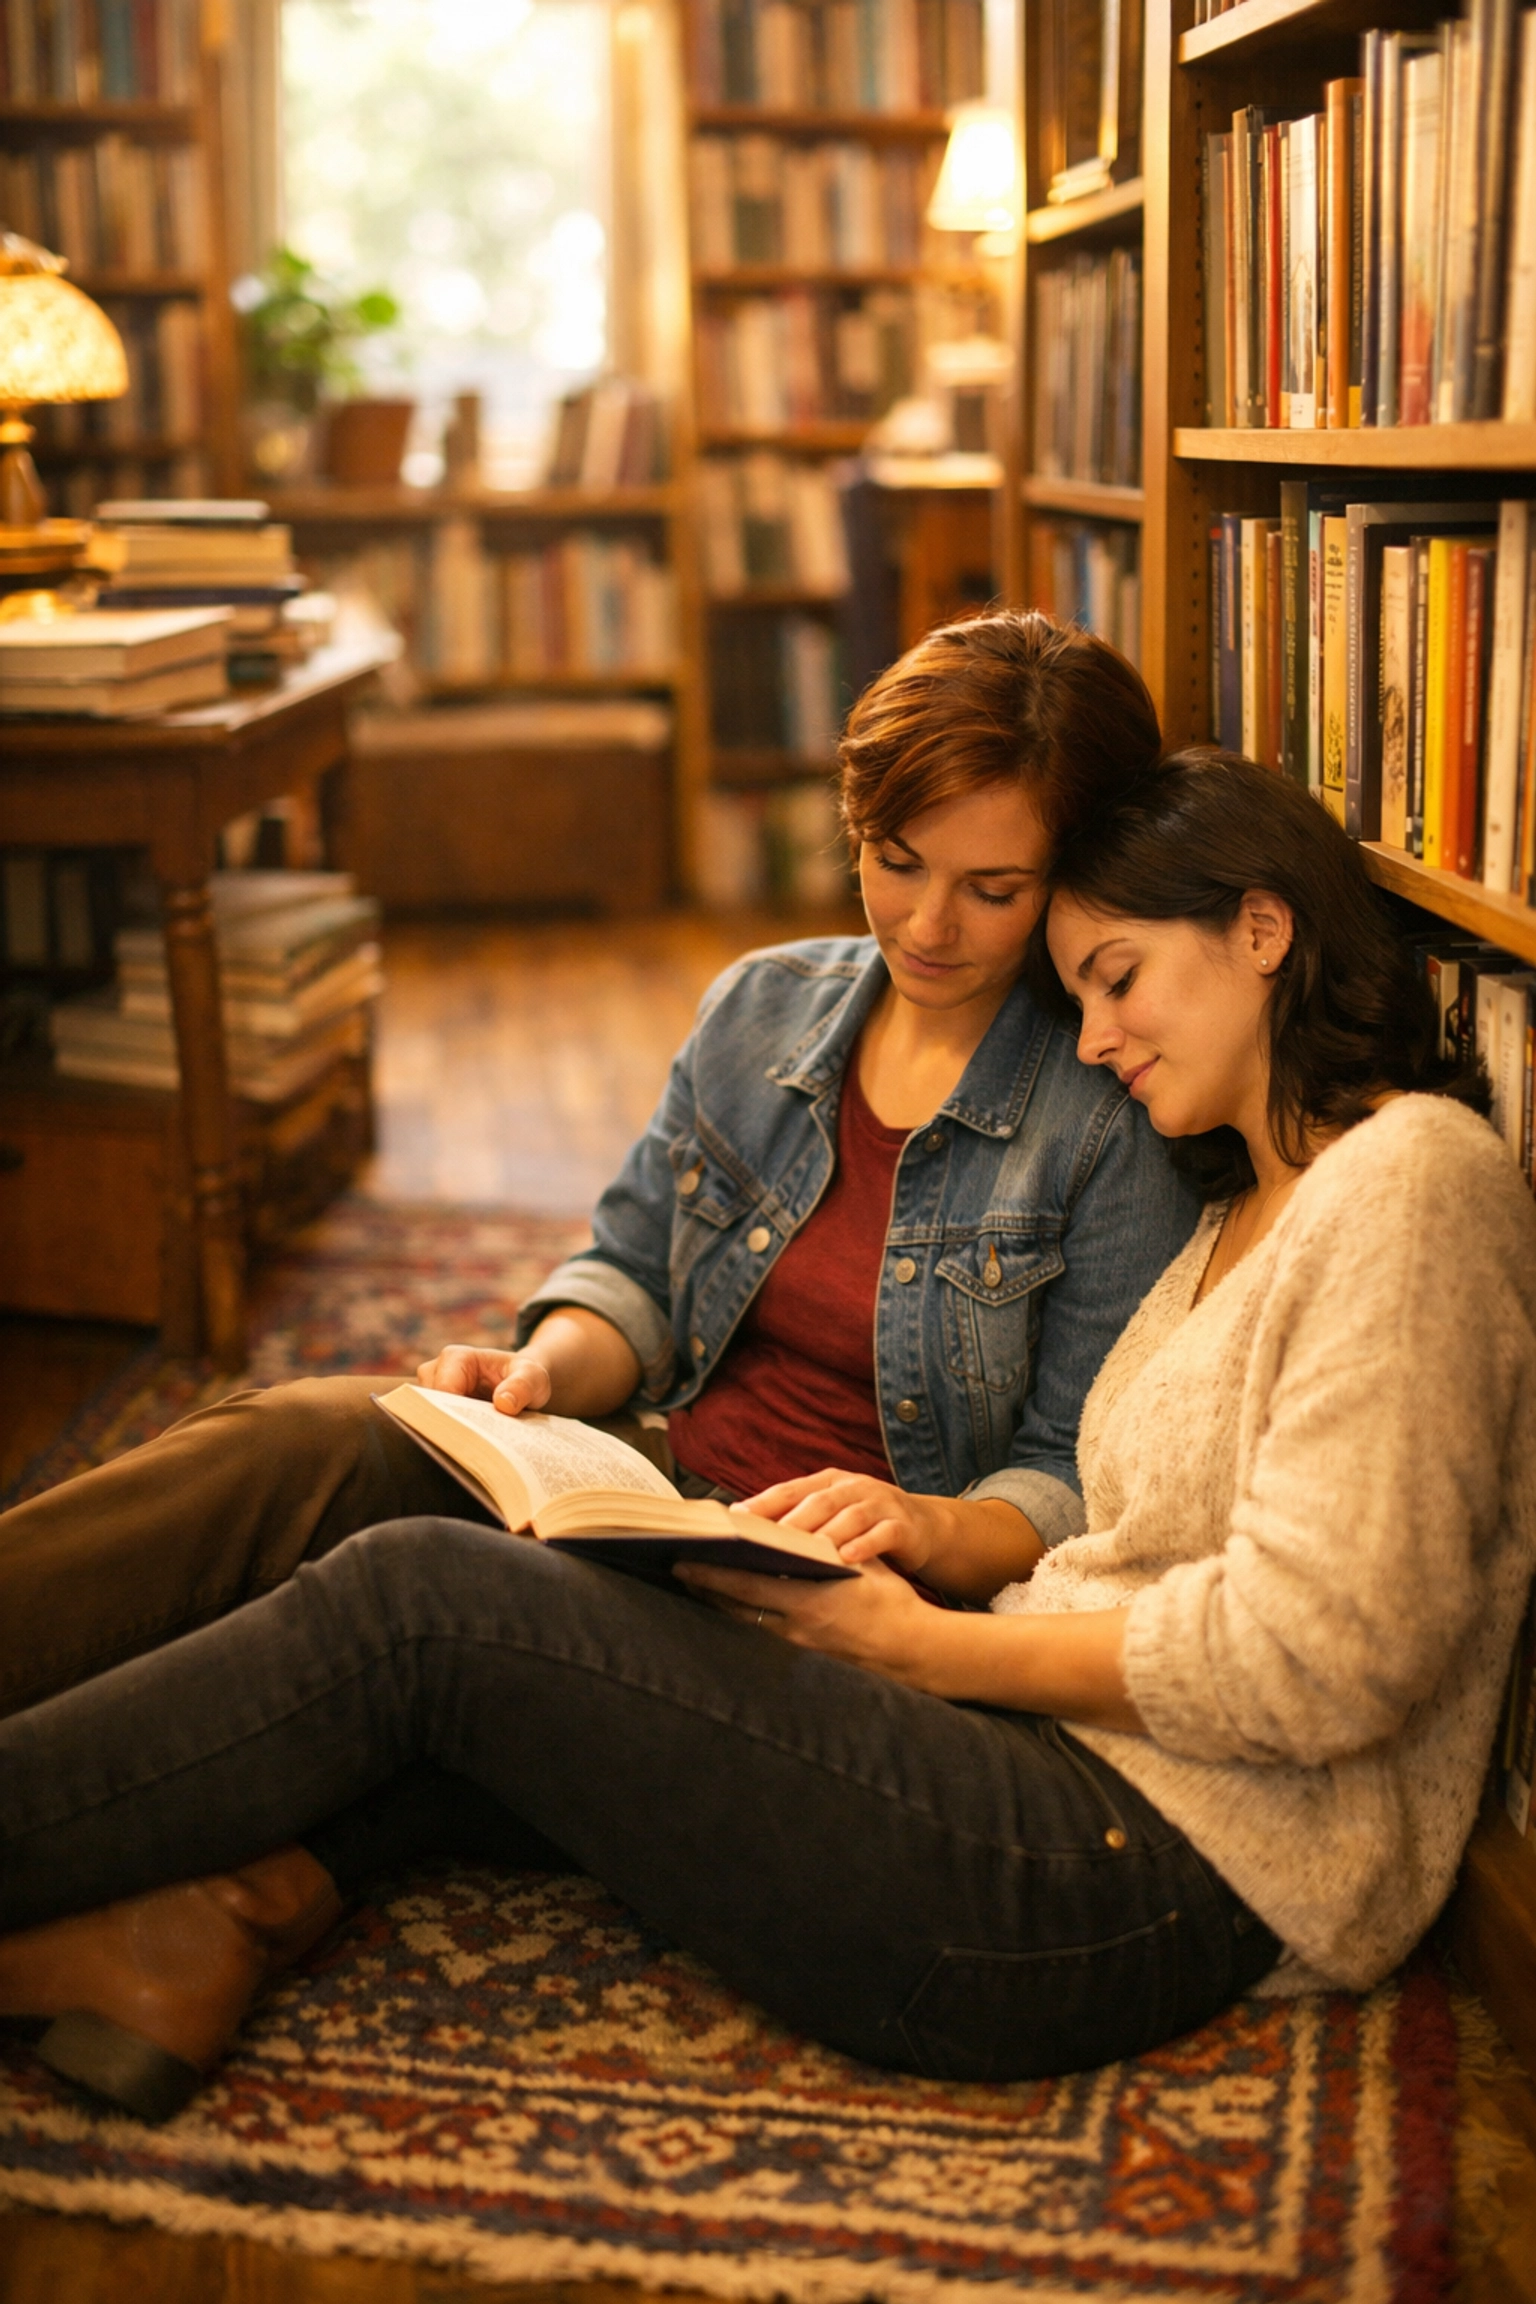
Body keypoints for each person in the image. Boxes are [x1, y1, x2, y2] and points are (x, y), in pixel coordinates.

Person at [3, 749, 1530, 2122]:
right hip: (1040, 1761)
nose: (1095, 1038)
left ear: (1263, 929)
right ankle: (196, 1924)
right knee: (390, 1501)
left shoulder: (1413, 1183)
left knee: (426, 1610)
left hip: (1136, 1878)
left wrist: (924, 1644)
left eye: (1118, 979)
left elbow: (1331, 1651)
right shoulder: (1238, 1206)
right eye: (1082, 993)